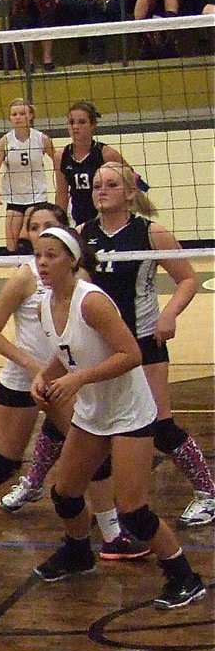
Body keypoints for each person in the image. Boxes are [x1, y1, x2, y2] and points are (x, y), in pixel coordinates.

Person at [0, 204, 146, 562]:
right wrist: (35, 368)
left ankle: (111, 535)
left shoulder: (80, 281)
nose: (42, 233)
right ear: (28, 235)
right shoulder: (23, 277)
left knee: (93, 453)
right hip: (21, 383)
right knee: (4, 462)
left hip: (58, 383)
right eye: (35, 228)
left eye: (50, 226)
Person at [28, 227, 205, 609]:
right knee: (65, 494)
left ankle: (185, 577)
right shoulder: (45, 303)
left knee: (133, 509)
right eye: (38, 255)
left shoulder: (91, 302)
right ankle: (78, 554)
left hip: (129, 412)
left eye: (52, 255)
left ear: (72, 260)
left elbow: (131, 354)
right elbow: (65, 350)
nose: (42, 263)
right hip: (94, 411)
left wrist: (78, 379)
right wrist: (46, 376)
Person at [80, 163, 215, 527]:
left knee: (159, 425)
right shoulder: (82, 235)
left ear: (129, 192)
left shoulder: (150, 233)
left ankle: (208, 492)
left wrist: (168, 314)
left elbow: (187, 279)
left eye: (110, 184)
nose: (101, 190)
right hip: (100, 346)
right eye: (96, 185)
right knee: (94, 427)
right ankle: (99, 507)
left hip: (144, 342)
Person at [0, 98, 55, 254]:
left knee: (28, 235)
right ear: (10, 118)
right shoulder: (5, 142)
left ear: (30, 116)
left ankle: (36, 266)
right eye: (14, 114)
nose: (18, 117)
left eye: (22, 114)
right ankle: (18, 268)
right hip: (14, 198)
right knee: (11, 244)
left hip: (36, 196)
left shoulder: (41, 139)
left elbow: (58, 161)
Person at [54, 100, 132, 226]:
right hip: (78, 219)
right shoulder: (61, 156)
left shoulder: (106, 154)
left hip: (106, 217)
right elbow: (62, 194)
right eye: (71, 122)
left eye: (82, 122)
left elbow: (131, 178)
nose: (75, 127)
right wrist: (59, 224)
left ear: (92, 125)